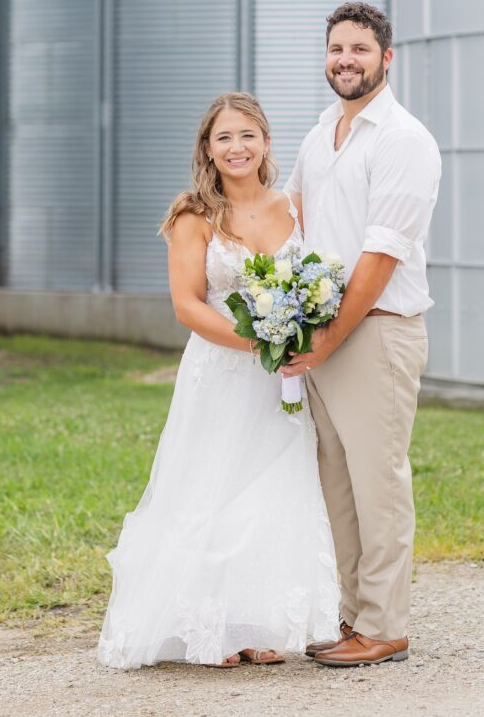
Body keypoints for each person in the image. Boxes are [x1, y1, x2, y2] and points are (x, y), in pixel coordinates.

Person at [97, 93, 340, 670]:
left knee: (272, 489)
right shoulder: (194, 217)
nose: (237, 148)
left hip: (280, 381)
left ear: (266, 143)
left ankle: (256, 623)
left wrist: (297, 338)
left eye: (247, 135)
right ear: (208, 148)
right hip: (221, 373)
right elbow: (187, 305)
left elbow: (316, 280)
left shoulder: (295, 209)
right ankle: (207, 627)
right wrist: (261, 343)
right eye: (224, 138)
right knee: (210, 488)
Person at [282, 2, 441, 668]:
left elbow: (378, 261)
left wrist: (325, 340)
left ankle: (385, 623)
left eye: (360, 49)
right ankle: (353, 618)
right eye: (337, 49)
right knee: (337, 484)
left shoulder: (403, 139)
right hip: (323, 333)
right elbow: (290, 219)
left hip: (375, 333)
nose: (346, 60)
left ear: (386, 57)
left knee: (378, 482)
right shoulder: (322, 134)